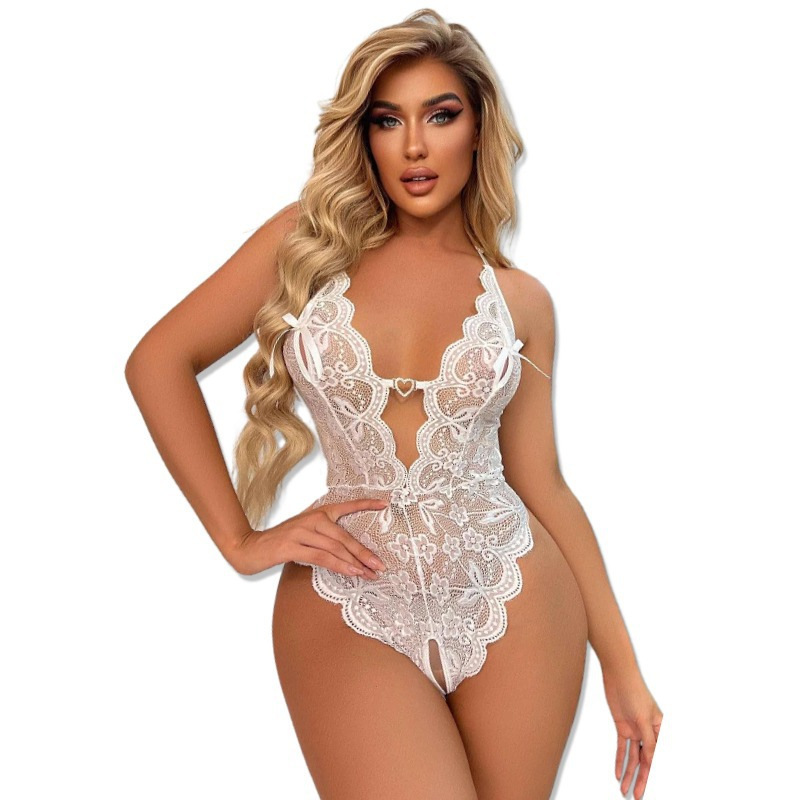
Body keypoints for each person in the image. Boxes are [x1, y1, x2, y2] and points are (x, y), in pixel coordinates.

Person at [125, 8, 662, 799]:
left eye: (440, 116)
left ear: (478, 130)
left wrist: (623, 668)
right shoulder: (302, 245)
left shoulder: (522, 302)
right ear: (365, 135)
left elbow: (543, 483)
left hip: (513, 592)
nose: (414, 145)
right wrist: (239, 541)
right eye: (388, 120)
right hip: (347, 596)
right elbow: (157, 362)